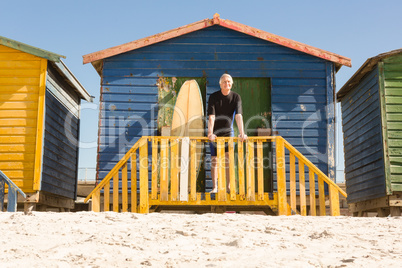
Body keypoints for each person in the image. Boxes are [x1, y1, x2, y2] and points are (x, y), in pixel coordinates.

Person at [207, 74, 247, 193]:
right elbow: (211, 117)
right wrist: (210, 133)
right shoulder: (213, 97)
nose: (227, 84)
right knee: (215, 159)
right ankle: (215, 187)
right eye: (224, 82)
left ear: (232, 83)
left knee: (228, 159)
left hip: (228, 132)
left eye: (229, 81)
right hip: (215, 132)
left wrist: (242, 133)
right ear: (220, 84)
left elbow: (239, 116)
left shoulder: (236, 97)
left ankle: (229, 187)